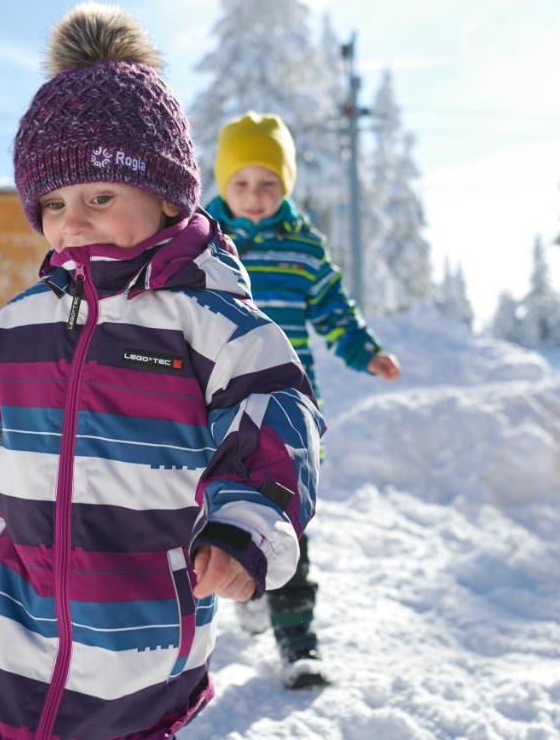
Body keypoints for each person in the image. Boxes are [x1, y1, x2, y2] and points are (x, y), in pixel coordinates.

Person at [0, 5, 323, 739]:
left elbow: (274, 422)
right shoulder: (22, 321)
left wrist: (243, 528)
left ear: (166, 195)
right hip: (3, 638)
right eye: (56, 203)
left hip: (135, 657)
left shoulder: (212, 325)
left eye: (101, 197)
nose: (75, 221)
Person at [207, 111, 401, 690]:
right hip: (213, 405)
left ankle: (299, 643)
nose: (255, 197)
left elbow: (334, 310)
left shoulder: (303, 248)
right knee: (206, 513)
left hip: (286, 414)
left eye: (268, 184)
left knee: (284, 521)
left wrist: (366, 351)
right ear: (222, 185)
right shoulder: (203, 243)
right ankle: (228, 596)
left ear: (285, 187)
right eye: (241, 184)